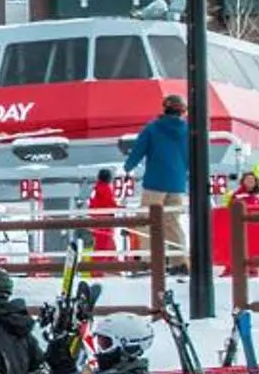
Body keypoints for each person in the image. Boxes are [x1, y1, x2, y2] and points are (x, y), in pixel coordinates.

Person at [121, 96, 194, 263]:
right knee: (172, 223)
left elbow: (139, 150)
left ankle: (151, 261)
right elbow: (192, 156)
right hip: (177, 183)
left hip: (155, 182)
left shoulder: (153, 128)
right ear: (182, 111)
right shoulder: (188, 130)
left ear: (165, 109)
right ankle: (179, 261)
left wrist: (127, 167)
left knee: (147, 221)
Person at [83, 169, 123, 259]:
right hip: (104, 223)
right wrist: (122, 208)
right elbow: (110, 204)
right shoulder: (105, 189)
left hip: (96, 221)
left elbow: (92, 205)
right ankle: (100, 266)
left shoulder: (96, 188)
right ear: (108, 178)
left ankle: (110, 264)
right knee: (103, 247)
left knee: (107, 246)